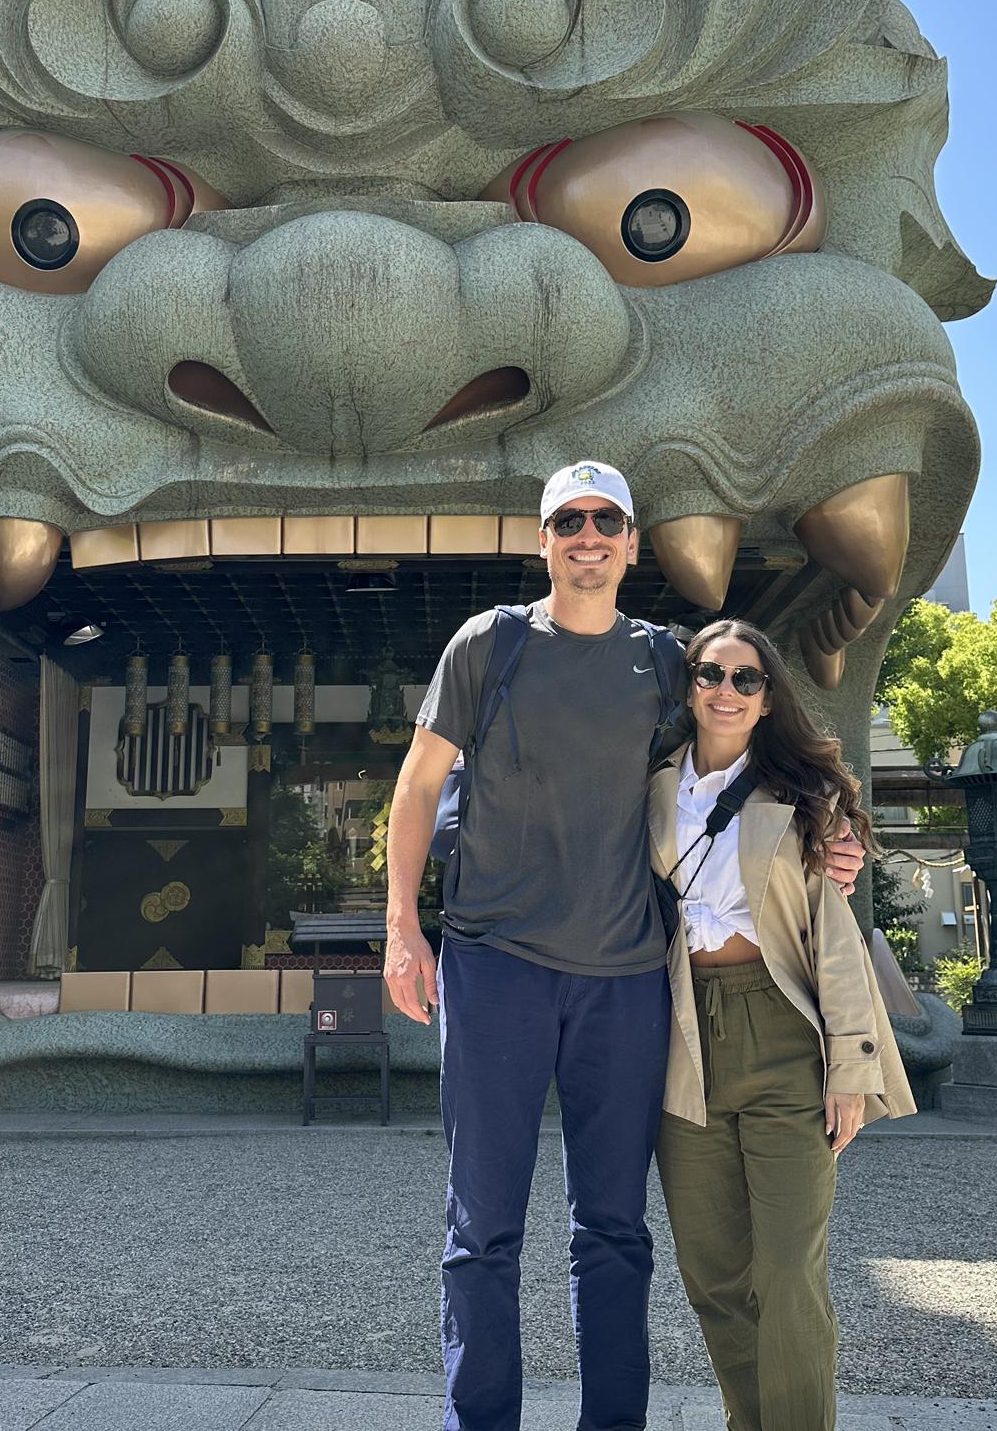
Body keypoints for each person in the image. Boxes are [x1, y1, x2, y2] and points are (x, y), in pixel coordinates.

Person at [383, 461, 864, 1431]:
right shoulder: (491, 644)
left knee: (613, 1232)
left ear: (635, 544)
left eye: (608, 520)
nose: (589, 536)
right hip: (495, 967)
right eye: (570, 520)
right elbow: (418, 782)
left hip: (625, 983)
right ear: (545, 539)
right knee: (482, 1232)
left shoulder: (662, 663)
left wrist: (830, 829)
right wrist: (399, 927)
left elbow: (738, 732)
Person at [649, 618, 914, 1431]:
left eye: (746, 679)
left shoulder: (805, 800)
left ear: (768, 701)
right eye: (710, 674)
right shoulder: (648, 786)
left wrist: (852, 1070)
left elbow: (835, 948)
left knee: (789, 1269)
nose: (725, 691)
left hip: (783, 1029)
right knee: (713, 1272)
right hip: (681, 1037)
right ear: (688, 687)